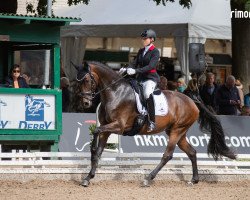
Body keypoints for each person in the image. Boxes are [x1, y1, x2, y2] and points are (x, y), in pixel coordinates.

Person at [119, 29, 160, 132]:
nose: (143, 40)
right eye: (143, 38)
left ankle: (152, 122)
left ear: (152, 39)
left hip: (150, 78)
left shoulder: (155, 52)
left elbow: (151, 66)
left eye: (145, 38)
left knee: (146, 94)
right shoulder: (141, 51)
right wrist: (127, 68)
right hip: (140, 78)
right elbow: (134, 62)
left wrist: (136, 71)